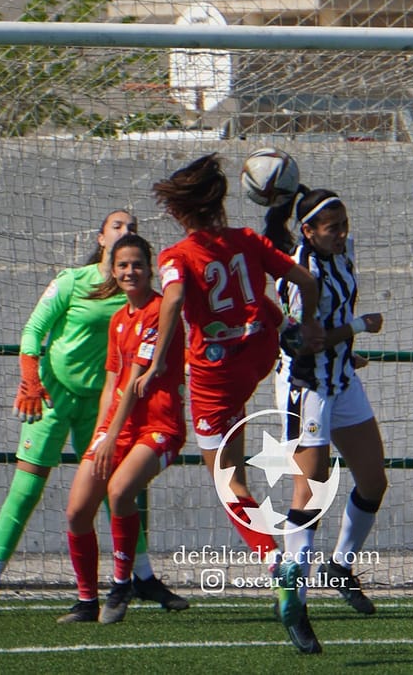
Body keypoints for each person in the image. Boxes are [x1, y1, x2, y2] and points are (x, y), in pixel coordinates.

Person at [0, 210, 187, 617]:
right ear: (101, 238)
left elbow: (154, 337)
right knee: (28, 489)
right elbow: (34, 330)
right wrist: (30, 380)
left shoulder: (139, 301)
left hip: (108, 408)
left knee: (118, 494)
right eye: (118, 226)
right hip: (55, 398)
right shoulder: (73, 281)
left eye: (133, 229)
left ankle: (136, 579)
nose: (127, 232)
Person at [135, 153, 324, 578]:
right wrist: (305, 324)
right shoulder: (246, 239)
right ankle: (304, 340)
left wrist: (157, 361)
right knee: (259, 308)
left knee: (228, 481)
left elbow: (176, 298)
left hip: (215, 374)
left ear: (179, 210)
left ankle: (275, 560)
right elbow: (306, 281)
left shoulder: (176, 256)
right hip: (259, 353)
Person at [265, 187, 388, 654]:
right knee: (310, 488)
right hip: (307, 385)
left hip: (341, 378)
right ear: (308, 231)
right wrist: (360, 328)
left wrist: (348, 351)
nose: (341, 233)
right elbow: (302, 343)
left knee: (374, 480)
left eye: (344, 224)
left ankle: (339, 564)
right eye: (331, 227)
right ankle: (294, 600)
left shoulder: (342, 254)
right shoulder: (301, 274)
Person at [58, 234, 187, 624]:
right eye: (123, 265)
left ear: (150, 269)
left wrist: (112, 435)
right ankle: (85, 601)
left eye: (137, 264)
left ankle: (121, 585)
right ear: (112, 272)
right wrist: (101, 434)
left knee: (119, 492)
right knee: (77, 511)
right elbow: (112, 384)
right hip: (117, 425)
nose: (130, 271)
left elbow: (135, 380)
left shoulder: (159, 311)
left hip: (158, 425)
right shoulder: (118, 319)